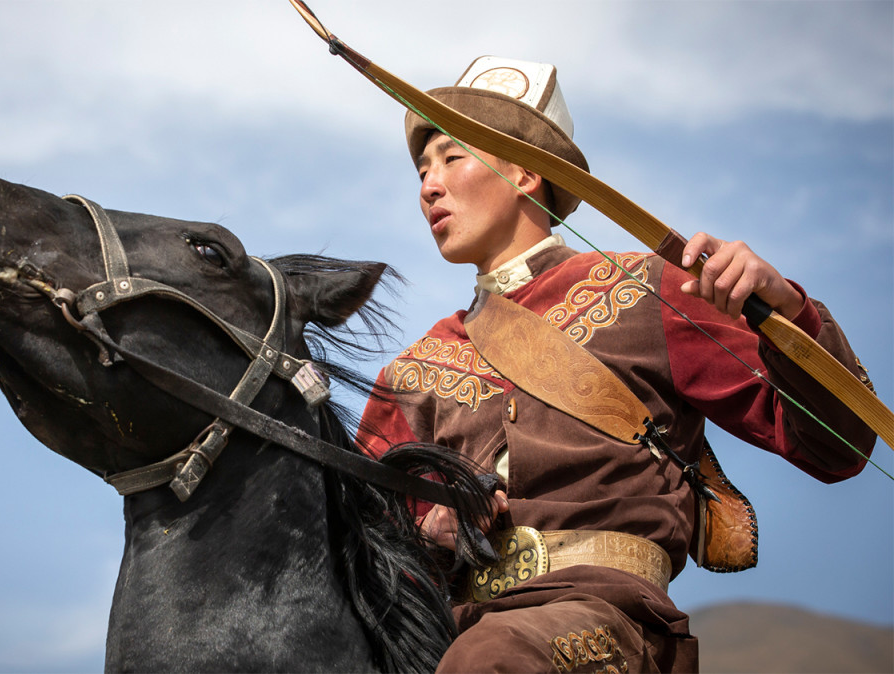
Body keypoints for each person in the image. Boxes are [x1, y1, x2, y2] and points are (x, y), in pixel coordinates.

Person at [354, 56, 877, 673]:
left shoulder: (648, 292)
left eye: (452, 157)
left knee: (490, 657)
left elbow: (837, 448)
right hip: (451, 638)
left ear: (525, 171)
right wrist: (428, 535)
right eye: (421, 169)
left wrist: (787, 311)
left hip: (612, 623)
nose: (428, 185)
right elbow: (360, 550)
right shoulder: (411, 373)